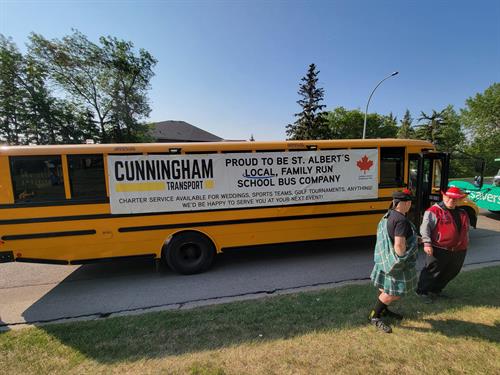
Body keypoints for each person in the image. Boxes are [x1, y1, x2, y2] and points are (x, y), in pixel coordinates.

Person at [369, 189, 419, 333]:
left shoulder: (389, 215)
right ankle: (375, 316)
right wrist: (401, 260)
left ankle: (384, 310)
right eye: (409, 202)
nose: (410, 204)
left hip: (385, 261)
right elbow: (399, 244)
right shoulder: (401, 220)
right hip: (395, 263)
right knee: (393, 292)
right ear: (404, 203)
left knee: (385, 288)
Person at [416, 186, 470, 301]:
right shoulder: (433, 211)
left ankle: (436, 290)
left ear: (459, 200)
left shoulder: (463, 212)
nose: (451, 200)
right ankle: (422, 291)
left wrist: (465, 243)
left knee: (452, 271)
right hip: (439, 248)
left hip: (459, 250)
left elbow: (466, 230)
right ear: (444, 196)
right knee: (432, 271)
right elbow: (425, 228)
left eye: (455, 199)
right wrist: (427, 243)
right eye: (449, 198)